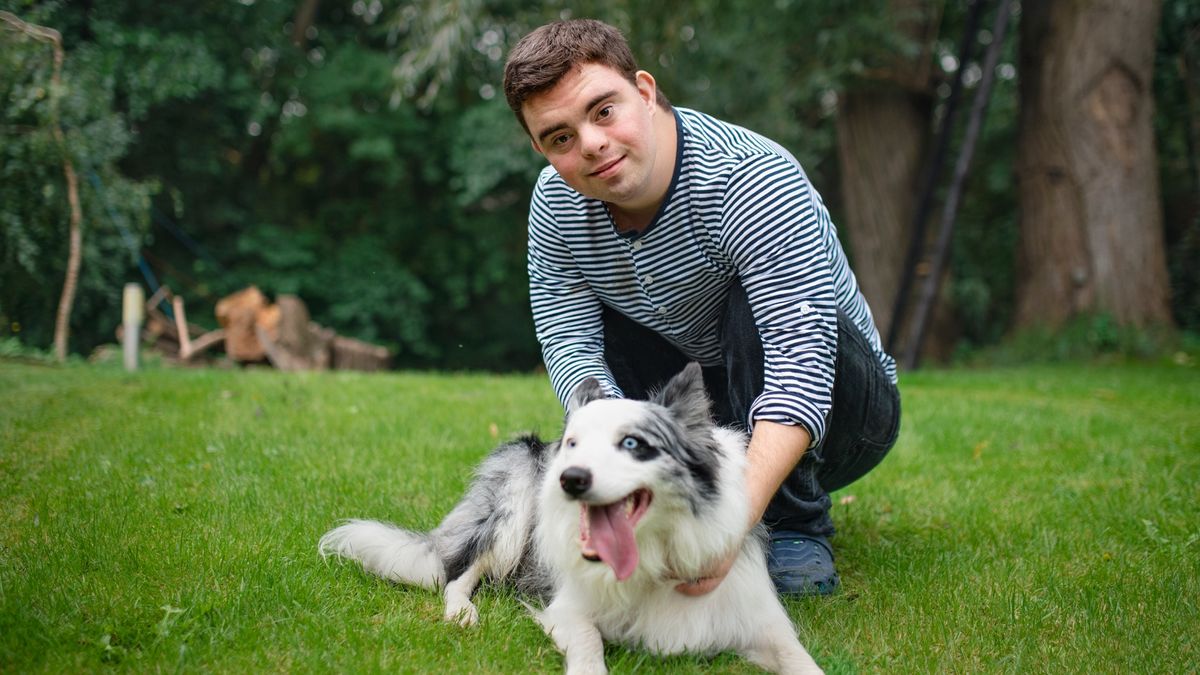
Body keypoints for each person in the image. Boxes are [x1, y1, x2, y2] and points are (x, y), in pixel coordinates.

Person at [503, 19, 900, 597]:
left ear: (643, 89)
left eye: (603, 111)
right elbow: (571, 345)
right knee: (600, 333)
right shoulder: (557, 206)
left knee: (745, 301)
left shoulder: (749, 178)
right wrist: (616, 470)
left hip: (844, 412)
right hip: (708, 400)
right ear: (541, 148)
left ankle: (794, 524)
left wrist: (727, 531)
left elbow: (800, 368)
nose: (589, 144)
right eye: (560, 138)